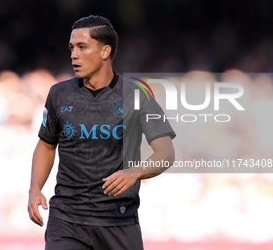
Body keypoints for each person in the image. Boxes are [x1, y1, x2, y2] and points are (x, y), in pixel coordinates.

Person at [28, 15, 176, 250]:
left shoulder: (136, 95)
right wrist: (35, 189)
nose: (73, 55)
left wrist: (134, 173)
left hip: (118, 222)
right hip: (66, 220)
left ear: (105, 51)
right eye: (71, 48)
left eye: (82, 47)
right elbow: (46, 144)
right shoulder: (58, 94)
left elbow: (166, 152)